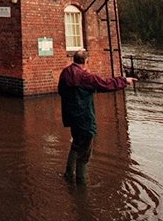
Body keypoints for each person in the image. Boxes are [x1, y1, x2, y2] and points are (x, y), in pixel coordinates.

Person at [58, 49, 136, 185]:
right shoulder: (85, 77)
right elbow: (105, 84)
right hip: (85, 117)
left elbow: (61, 91)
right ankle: (81, 185)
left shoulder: (65, 73)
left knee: (76, 144)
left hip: (72, 116)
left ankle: (69, 174)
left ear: (73, 59)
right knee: (85, 153)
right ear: (86, 61)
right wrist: (124, 81)